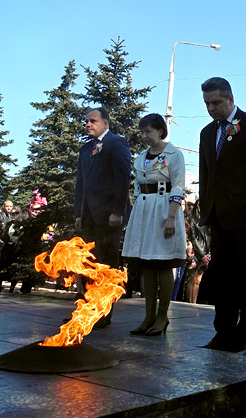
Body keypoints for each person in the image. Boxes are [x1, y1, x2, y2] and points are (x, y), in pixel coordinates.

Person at [198, 77, 246, 355]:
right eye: (207, 103)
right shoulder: (207, 133)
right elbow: (206, 175)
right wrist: (206, 214)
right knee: (222, 277)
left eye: (216, 102)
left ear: (230, 99)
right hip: (218, 217)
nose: (211, 108)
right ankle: (224, 332)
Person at [122, 113, 186, 336]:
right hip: (144, 211)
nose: (144, 136)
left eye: (148, 131)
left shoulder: (173, 154)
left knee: (163, 262)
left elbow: (178, 186)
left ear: (160, 130)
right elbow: (137, 188)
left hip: (164, 208)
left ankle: (162, 316)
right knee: (147, 263)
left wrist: (170, 217)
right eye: (142, 132)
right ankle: (148, 315)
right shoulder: (140, 158)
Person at [74, 107, 132, 328]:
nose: (88, 124)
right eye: (86, 121)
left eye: (93, 120)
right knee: (88, 262)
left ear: (105, 124)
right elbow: (82, 183)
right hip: (88, 216)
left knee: (105, 264)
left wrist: (117, 211)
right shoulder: (86, 148)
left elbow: (122, 178)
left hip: (109, 216)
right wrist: (79, 213)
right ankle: (87, 312)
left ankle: (103, 313)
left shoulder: (116, 143)